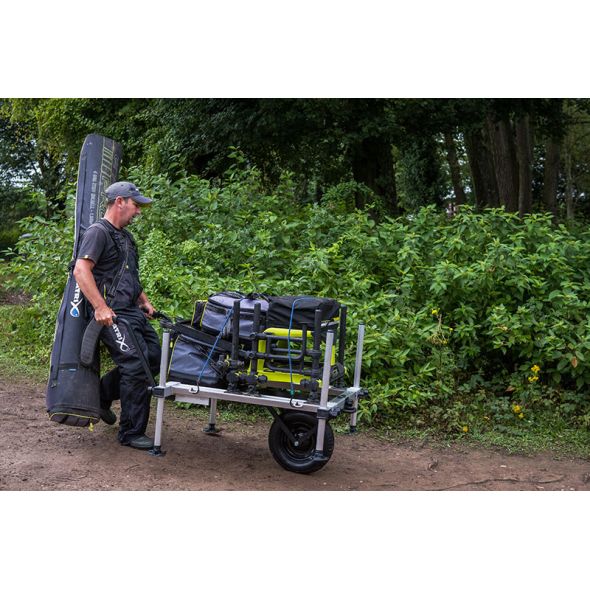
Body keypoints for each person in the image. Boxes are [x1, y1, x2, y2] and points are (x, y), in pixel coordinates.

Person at [73, 181, 161, 450]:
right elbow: (81, 271)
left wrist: (144, 301)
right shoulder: (98, 232)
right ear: (120, 201)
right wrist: (100, 307)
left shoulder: (126, 237)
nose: (139, 211)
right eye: (136, 205)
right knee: (136, 364)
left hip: (132, 312)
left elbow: (128, 275)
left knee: (155, 357)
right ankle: (131, 433)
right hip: (112, 314)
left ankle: (102, 395)